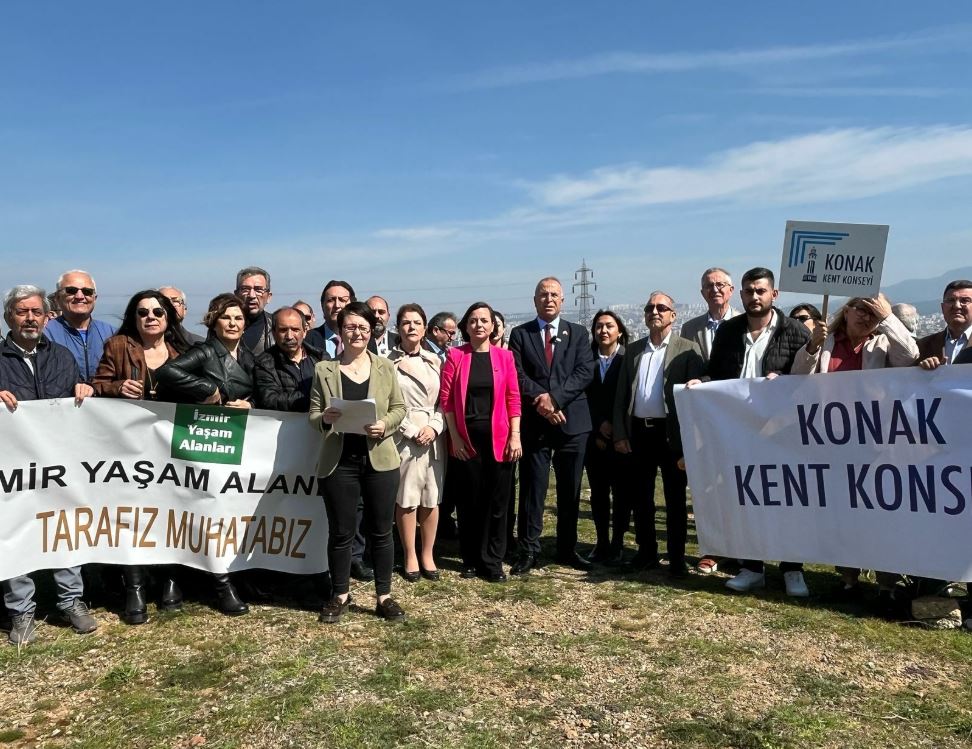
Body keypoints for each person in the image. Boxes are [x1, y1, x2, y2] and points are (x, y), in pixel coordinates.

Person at [688, 267, 814, 597]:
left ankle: (792, 569)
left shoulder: (795, 331)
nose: (754, 297)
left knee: (788, 501)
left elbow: (809, 380)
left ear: (774, 295)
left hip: (784, 434)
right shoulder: (729, 331)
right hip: (740, 433)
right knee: (746, 499)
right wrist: (701, 383)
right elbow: (716, 373)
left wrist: (783, 384)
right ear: (740, 295)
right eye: (748, 291)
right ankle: (751, 566)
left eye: (760, 291)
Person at [792, 292, 918, 608]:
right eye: (861, 309)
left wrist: (888, 317)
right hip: (831, 445)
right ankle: (848, 580)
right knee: (842, 516)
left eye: (873, 312)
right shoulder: (826, 342)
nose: (867, 316)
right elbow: (795, 380)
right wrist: (811, 346)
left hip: (875, 446)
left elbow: (911, 356)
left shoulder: (883, 344)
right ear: (846, 311)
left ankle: (886, 585)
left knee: (880, 517)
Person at [0, 285, 97, 644]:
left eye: (36, 312)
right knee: (15, 533)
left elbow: (76, 392)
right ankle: (21, 611)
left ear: (46, 316)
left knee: (64, 527)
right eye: (22, 311)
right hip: (13, 469)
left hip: (58, 463)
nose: (30, 318)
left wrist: (84, 390)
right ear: (9, 315)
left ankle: (71, 600)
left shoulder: (62, 357)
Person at [91, 290, 194, 624]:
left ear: (169, 317)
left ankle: (170, 579)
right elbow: (97, 384)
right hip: (129, 446)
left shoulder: (185, 350)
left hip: (172, 447)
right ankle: (134, 585)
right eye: (142, 312)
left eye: (158, 312)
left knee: (172, 511)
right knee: (131, 514)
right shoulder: (119, 345)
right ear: (134, 318)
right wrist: (117, 386)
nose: (151, 317)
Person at [156, 292, 256, 615]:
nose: (233, 323)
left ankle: (223, 577)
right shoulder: (203, 352)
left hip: (233, 442)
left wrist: (251, 404)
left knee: (223, 513)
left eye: (238, 318)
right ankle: (191, 580)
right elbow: (167, 374)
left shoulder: (251, 358)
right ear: (214, 320)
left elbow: (259, 390)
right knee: (188, 510)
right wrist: (208, 391)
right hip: (200, 440)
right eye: (227, 317)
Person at [309, 302, 408, 622]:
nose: (357, 333)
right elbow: (312, 416)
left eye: (363, 328)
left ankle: (384, 595)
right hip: (339, 462)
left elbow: (399, 407)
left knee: (381, 531)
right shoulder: (325, 370)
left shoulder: (385, 367)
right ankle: (340, 594)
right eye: (350, 327)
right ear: (339, 330)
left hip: (380, 458)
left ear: (371, 332)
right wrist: (325, 417)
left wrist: (386, 425)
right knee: (341, 532)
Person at [509, 277, 596, 574]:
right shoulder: (520, 334)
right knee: (533, 491)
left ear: (563, 300)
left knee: (570, 490)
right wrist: (542, 402)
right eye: (543, 294)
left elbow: (585, 372)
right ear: (534, 300)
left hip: (573, 424)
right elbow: (517, 375)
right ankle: (529, 550)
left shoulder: (579, 333)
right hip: (535, 425)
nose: (548, 299)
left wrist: (555, 400)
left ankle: (566, 548)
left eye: (554, 294)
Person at [613, 294, 703, 577]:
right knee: (641, 497)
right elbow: (622, 395)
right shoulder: (634, 350)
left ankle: (676, 557)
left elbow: (699, 393)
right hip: (640, 431)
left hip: (672, 435)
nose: (655, 312)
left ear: (673, 315)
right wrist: (620, 432)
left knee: (675, 499)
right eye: (650, 307)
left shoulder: (688, 349)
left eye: (661, 308)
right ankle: (646, 551)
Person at [440, 302, 522, 581]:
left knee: (497, 502)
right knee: (469, 501)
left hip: (500, 439)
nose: (479, 325)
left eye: (484, 320)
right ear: (466, 325)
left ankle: (493, 560)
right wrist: (455, 438)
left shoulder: (505, 358)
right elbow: (447, 401)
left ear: (493, 326)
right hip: (466, 440)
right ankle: (471, 558)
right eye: (473, 320)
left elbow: (513, 399)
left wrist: (515, 434)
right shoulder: (455, 356)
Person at [388, 304, 446, 581]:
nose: (411, 327)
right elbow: (385, 403)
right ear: (398, 328)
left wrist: (434, 427)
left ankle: (428, 553)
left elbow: (444, 401)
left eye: (417, 322)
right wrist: (410, 430)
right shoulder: (387, 362)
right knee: (408, 497)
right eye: (406, 322)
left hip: (433, 436)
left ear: (425, 328)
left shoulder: (436, 361)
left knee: (431, 498)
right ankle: (410, 553)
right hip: (404, 436)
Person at [583, 310, 629, 563]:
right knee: (598, 492)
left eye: (609, 326)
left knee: (622, 493)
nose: (604, 331)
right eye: (599, 326)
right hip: (594, 437)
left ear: (619, 331)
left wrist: (615, 426)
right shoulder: (586, 360)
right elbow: (584, 397)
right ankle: (601, 542)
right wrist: (598, 425)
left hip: (622, 437)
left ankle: (618, 543)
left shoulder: (629, 358)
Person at [44, 269, 116, 382]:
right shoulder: (45, 335)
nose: (79, 296)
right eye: (71, 290)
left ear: (94, 298)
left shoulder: (113, 334)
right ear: (58, 298)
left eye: (87, 291)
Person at [254, 307, 326, 412]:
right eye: (283, 330)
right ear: (274, 333)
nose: (289, 336)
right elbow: (270, 400)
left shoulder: (321, 358)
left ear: (305, 331)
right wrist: (313, 397)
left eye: (295, 330)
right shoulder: (264, 363)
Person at [679, 268, 737, 362]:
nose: (715, 289)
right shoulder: (689, 329)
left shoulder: (747, 323)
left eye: (720, 285)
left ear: (731, 290)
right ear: (703, 293)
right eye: (709, 286)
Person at [916, 280, 972, 367]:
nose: (957, 306)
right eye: (951, 300)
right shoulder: (923, 346)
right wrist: (923, 371)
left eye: (965, 300)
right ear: (942, 308)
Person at [307, 280, 356, 357]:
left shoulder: (364, 339)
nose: (337, 305)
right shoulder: (308, 339)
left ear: (352, 306)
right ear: (322, 306)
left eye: (342, 300)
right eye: (331, 300)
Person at [236, 267, 274, 355]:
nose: (252, 295)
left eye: (258, 290)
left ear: (269, 297)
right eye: (245, 289)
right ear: (236, 295)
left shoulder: (277, 326)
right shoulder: (221, 327)